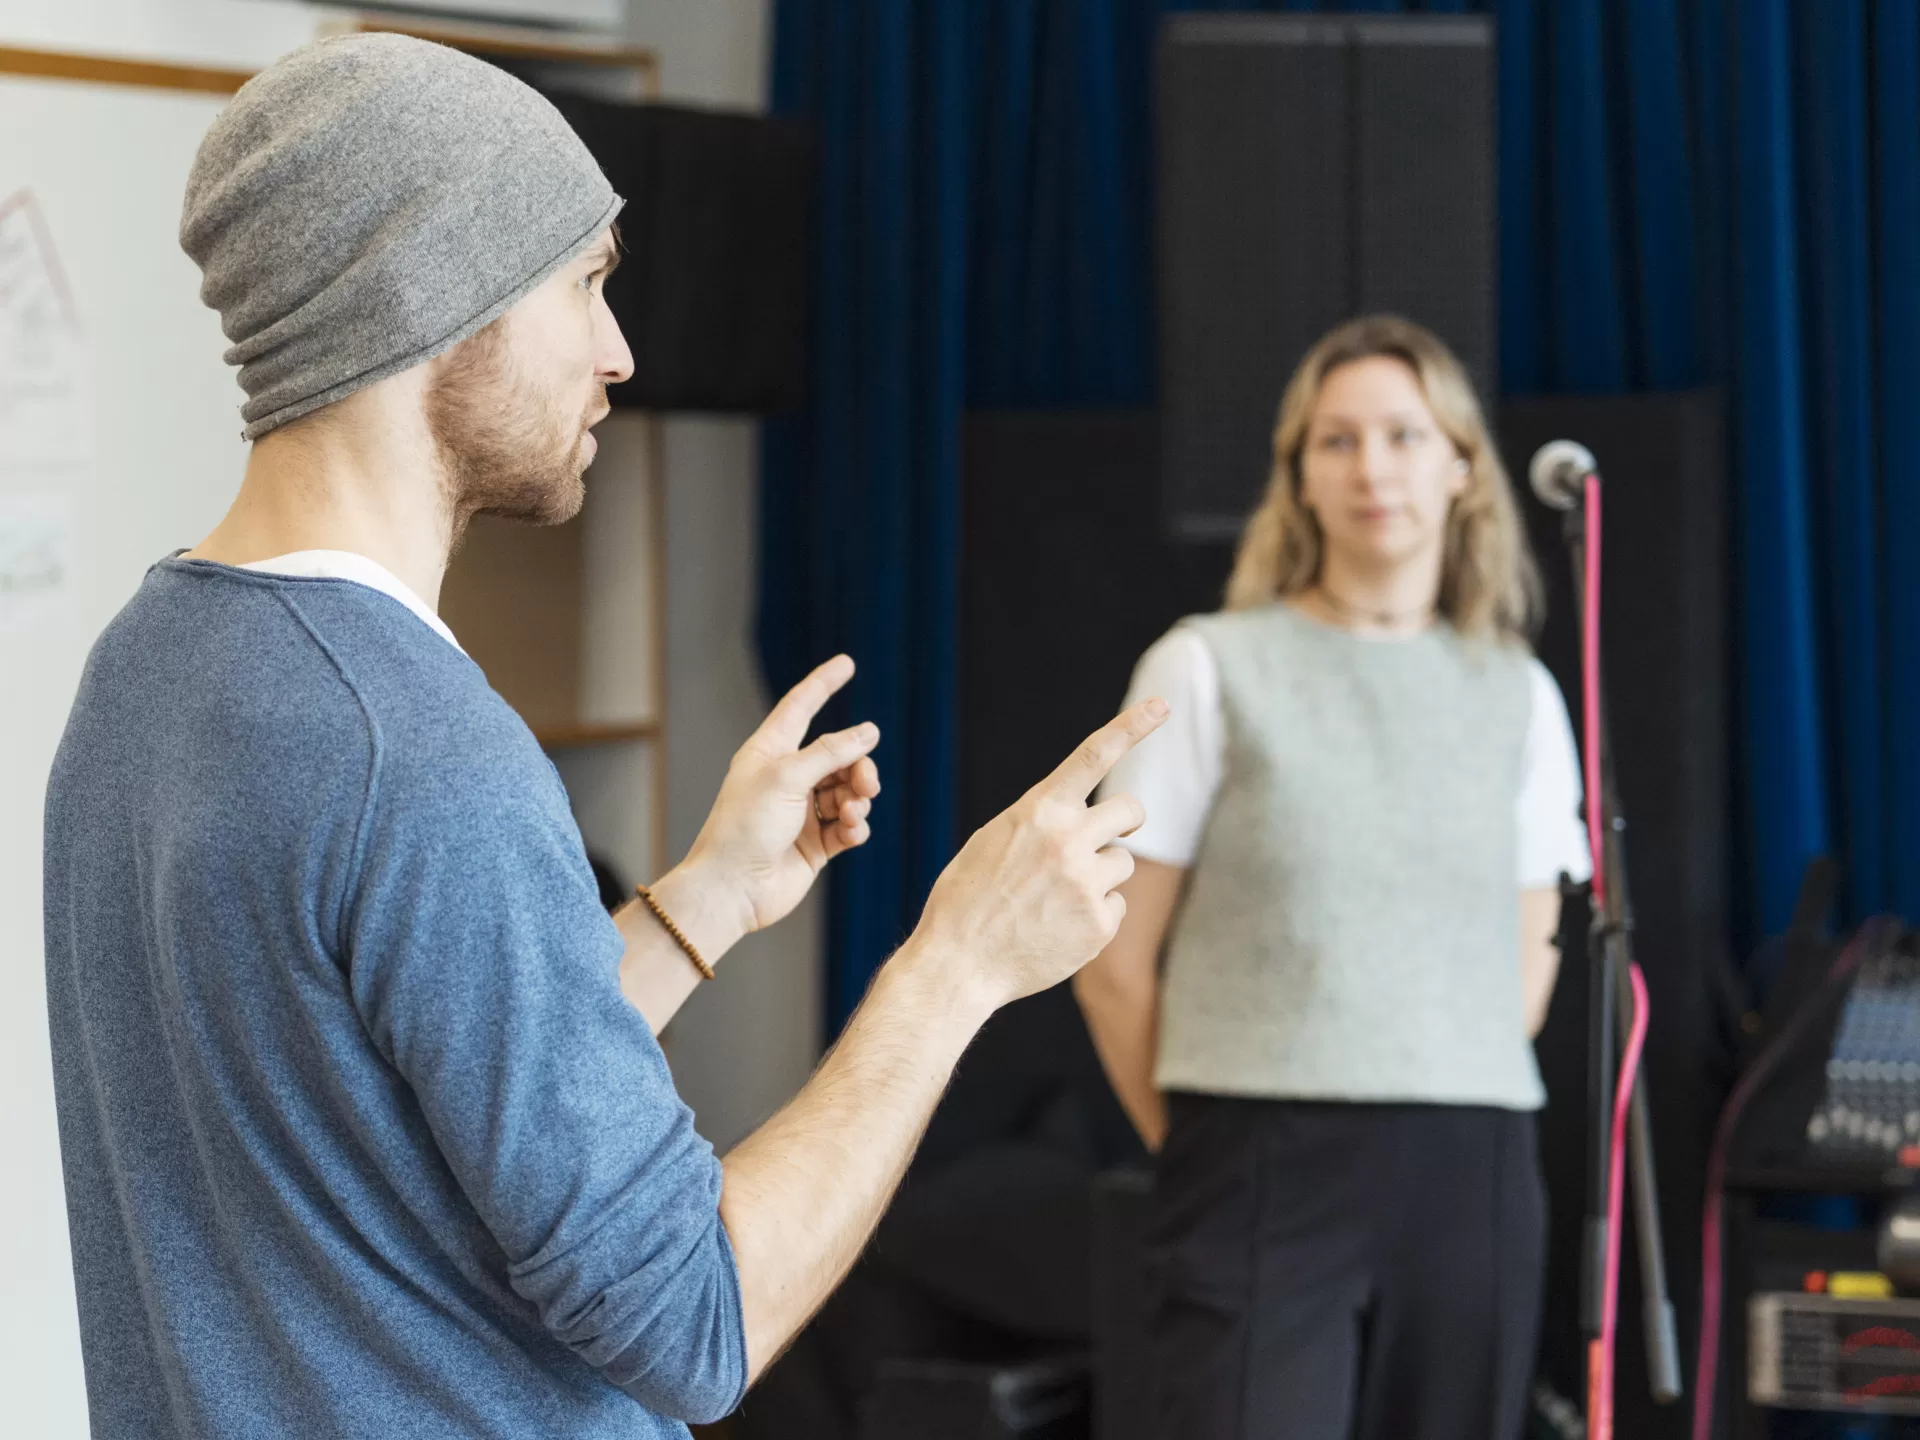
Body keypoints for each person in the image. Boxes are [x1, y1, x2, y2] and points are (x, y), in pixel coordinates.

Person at [42, 35, 1164, 1440]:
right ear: (439, 291)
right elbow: (696, 1324)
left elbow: (400, 1098)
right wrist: (958, 965)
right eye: (585, 285)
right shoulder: (423, 754)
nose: (620, 353)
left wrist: (705, 904)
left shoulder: (145, 674)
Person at [1073, 315, 1593, 1440]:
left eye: (1405, 436)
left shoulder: (1523, 695)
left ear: (1461, 468)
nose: (1373, 468)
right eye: (1338, 440)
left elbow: (1530, 959)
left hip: (1472, 1169)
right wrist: (1207, 1146)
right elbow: (1112, 962)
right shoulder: (1207, 666)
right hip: (1257, 1162)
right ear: (1298, 476)